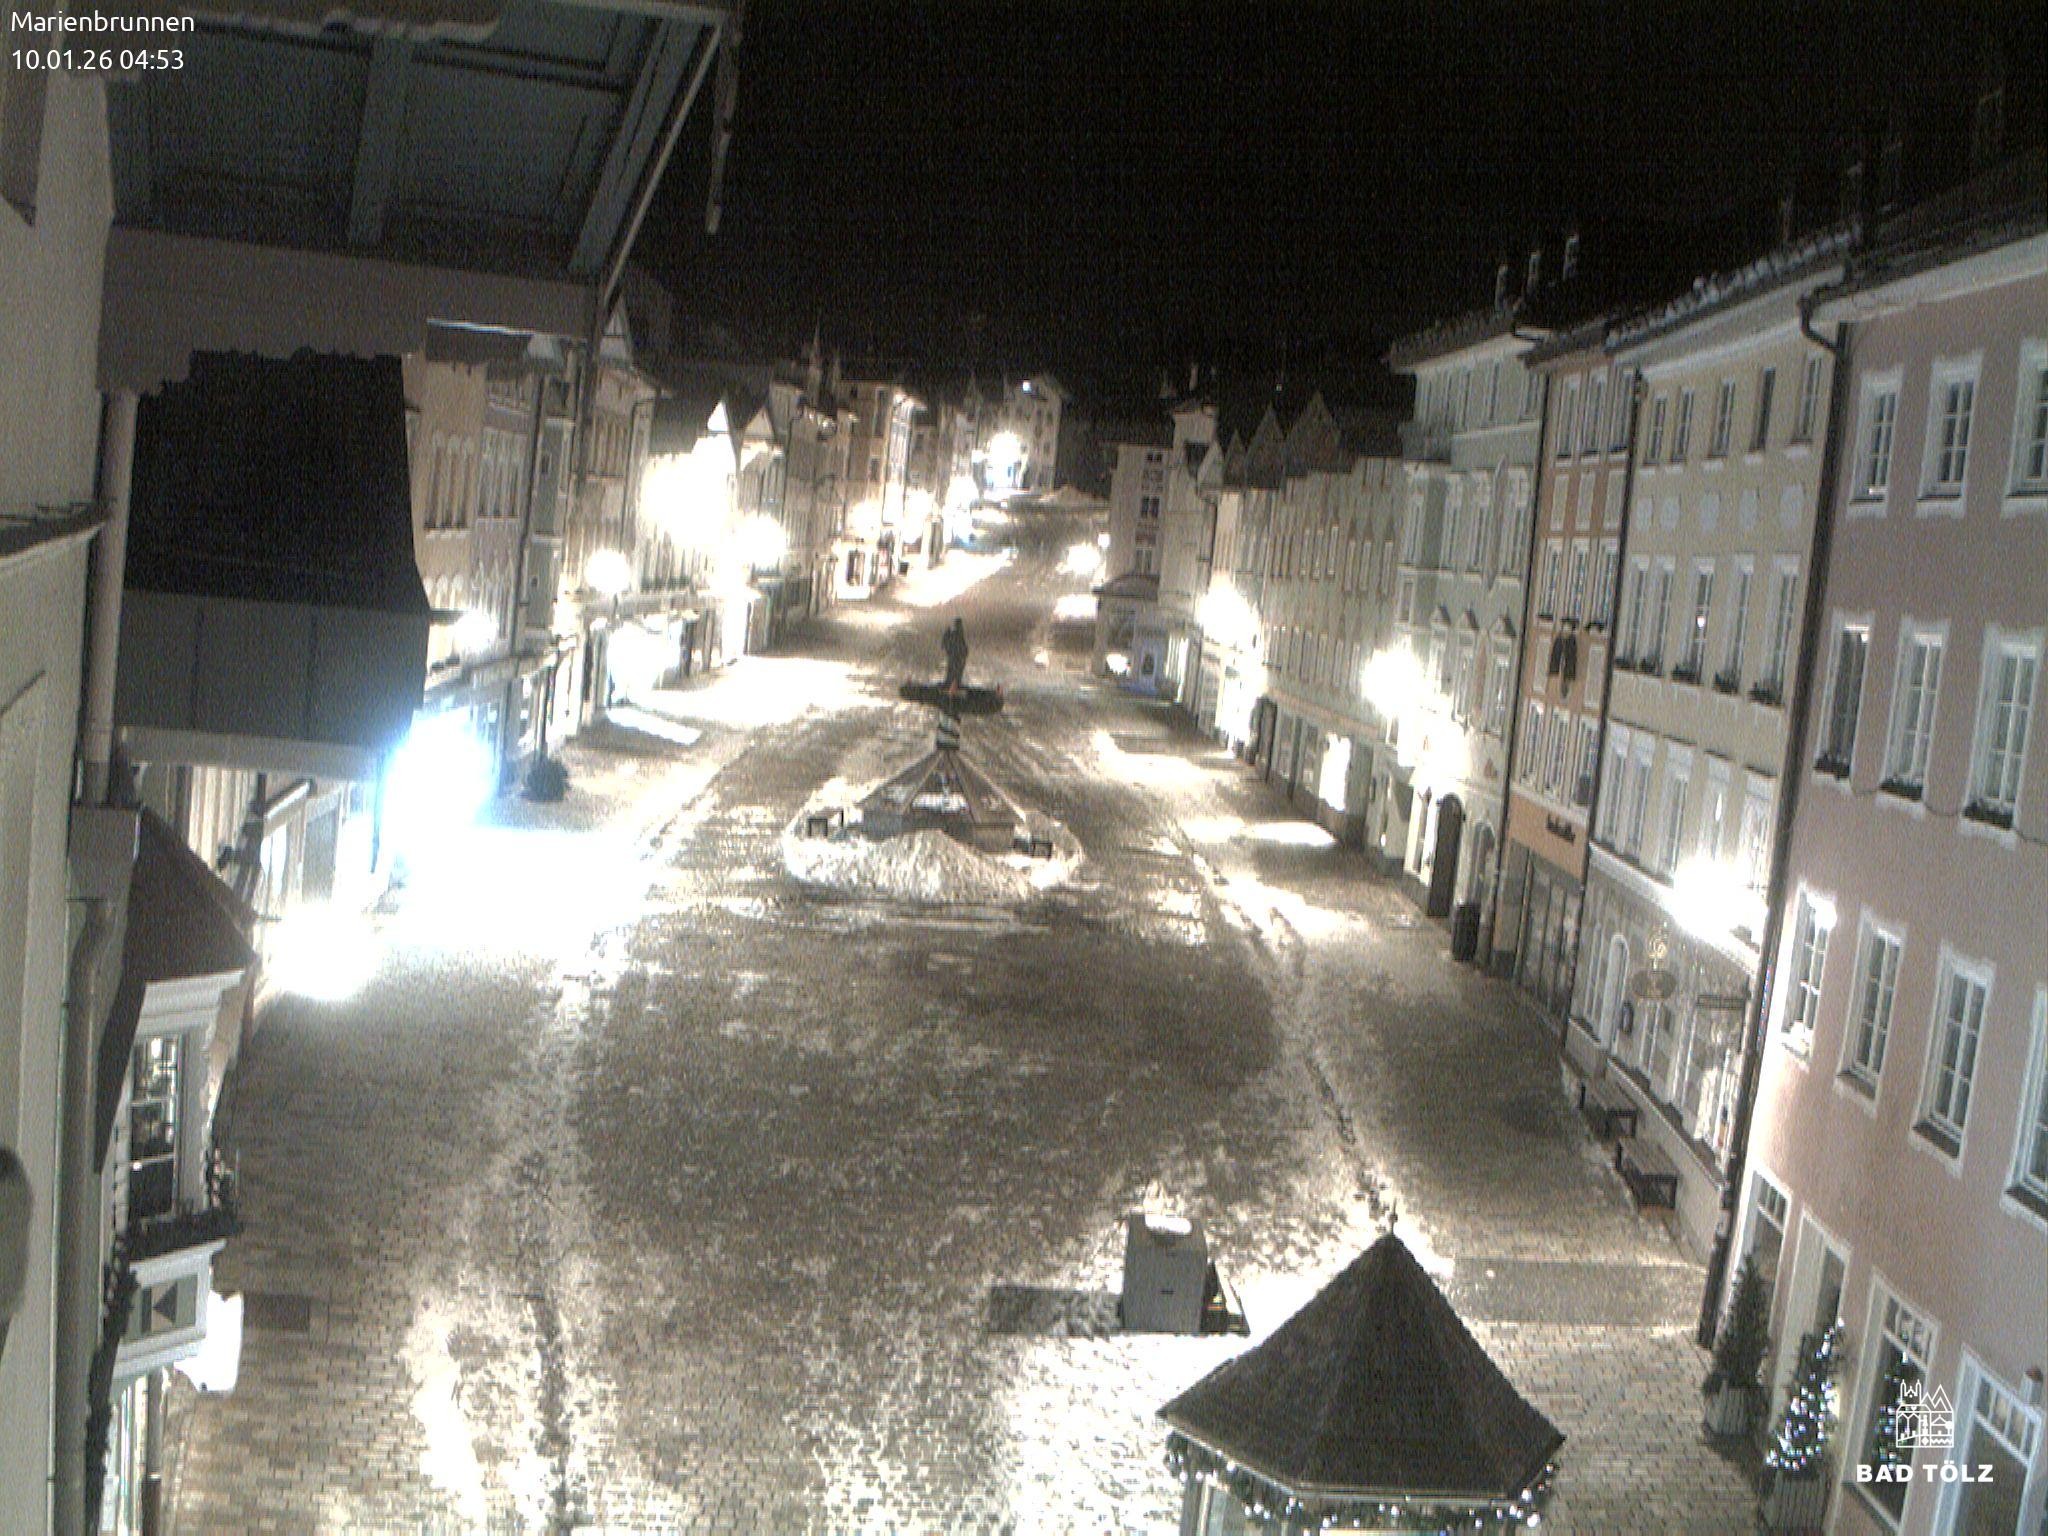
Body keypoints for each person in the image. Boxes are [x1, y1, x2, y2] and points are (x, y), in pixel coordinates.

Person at [941, 617, 969, 689]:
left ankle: (953, 683)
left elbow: (946, 643)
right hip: (957, 657)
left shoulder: (957, 634)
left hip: (957, 657)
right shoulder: (957, 634)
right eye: (958, 624)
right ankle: (952, 683)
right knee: (954, 671)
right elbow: (947, 643)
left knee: (955, 671)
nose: (959, 626)